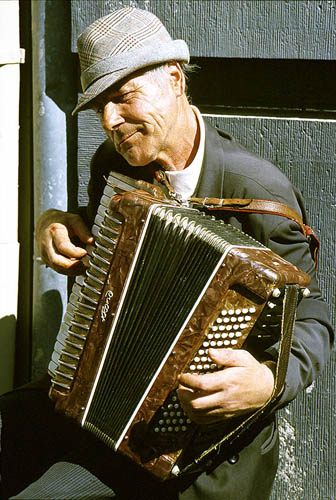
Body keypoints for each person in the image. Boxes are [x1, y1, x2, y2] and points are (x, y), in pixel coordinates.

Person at [0, 7, 333, 500]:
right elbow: (105, 235)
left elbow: (315, 314)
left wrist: (267, 382)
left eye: (123, 97)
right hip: (101, 406)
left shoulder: (258, 191)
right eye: (100, 107)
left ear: (174, 80)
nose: (110, 121)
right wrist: (56, 222)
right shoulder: (114, 162)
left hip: (199, 452)